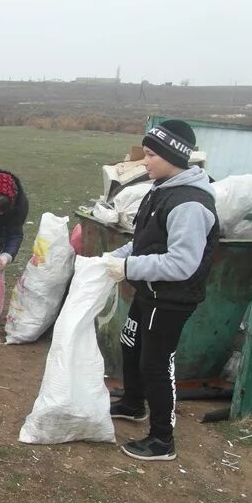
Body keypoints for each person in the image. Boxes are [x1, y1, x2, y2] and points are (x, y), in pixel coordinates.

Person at [103, 119, 218, 461]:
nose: (144, 161)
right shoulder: (162, 188)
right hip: (149, 290)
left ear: (172, 156)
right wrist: (112, 258)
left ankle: (161, 440)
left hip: (171, 299)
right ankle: (134, 403)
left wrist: (127, 268)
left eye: (150, 155)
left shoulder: (189, 204)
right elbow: (144, 243)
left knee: (157, 363)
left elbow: (183, 263)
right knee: (130, 342)